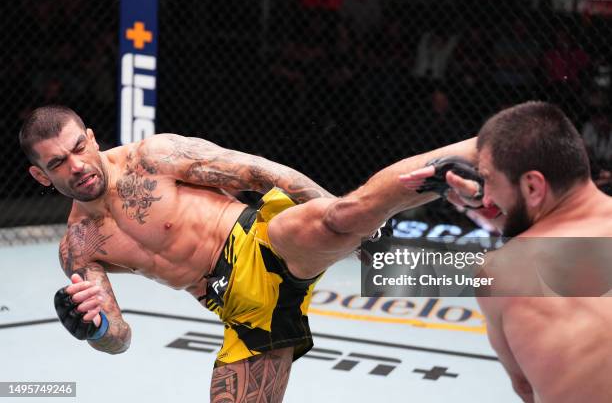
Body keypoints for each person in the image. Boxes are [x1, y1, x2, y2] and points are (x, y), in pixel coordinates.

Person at [20, 105, 477, 402]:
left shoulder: (154, 157)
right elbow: (119, 339)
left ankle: (478, 150)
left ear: (92, 138)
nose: (76, 165)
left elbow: (262, 173)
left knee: (344, 215)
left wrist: (353, 227)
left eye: (78, 148)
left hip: (260, 240)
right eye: (58, 163)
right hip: (244, 313)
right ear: (41, 176)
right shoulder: (78, 248)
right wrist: (94, 326)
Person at [401, 101, 612, 403]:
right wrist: (507, 219)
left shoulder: (502, 274)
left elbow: (526, 388)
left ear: (532, 186)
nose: (485, 196)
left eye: (488, 180)